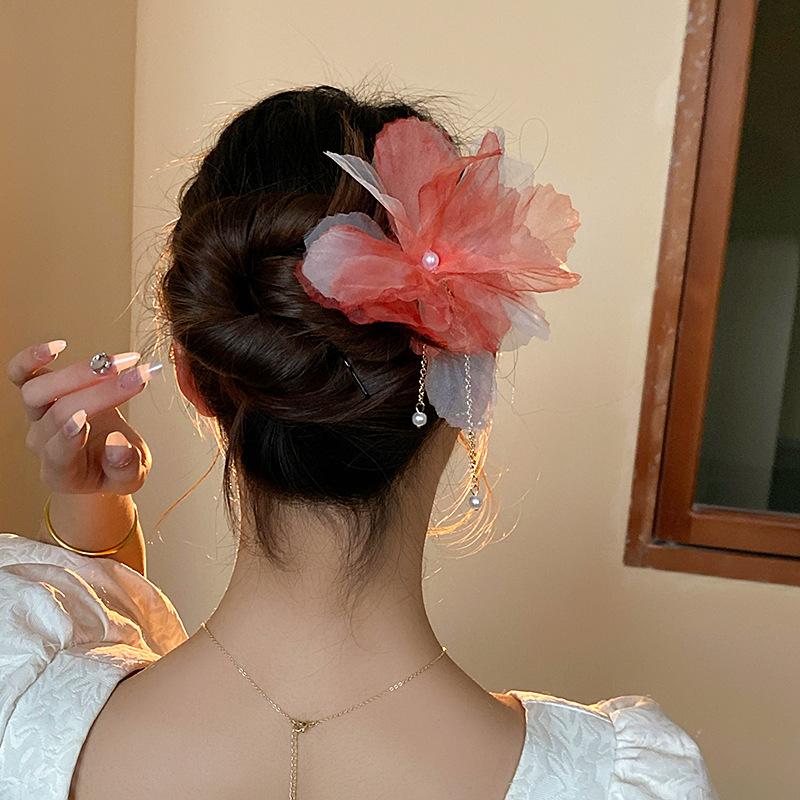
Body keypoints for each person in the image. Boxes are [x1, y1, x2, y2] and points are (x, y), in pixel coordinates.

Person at [1, 85, 718, 800]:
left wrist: (93, 522)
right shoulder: (623, 786)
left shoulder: (19, 713)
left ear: (194, 379)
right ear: (469, 373)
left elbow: (73, 697)